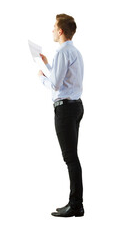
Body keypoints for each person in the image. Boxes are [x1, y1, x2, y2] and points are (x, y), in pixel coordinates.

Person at [38, 14, 85, 217]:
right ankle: (75, 203)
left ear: (60, 31)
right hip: (75, 107)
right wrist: (48, 65)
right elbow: (64, 79)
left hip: (65, 109)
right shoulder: (74, 51)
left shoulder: (62, 52)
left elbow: (56, 84)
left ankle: (76, 204)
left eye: (53, 27)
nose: (52, 31)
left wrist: (41, 77)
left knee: (70, 158)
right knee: (72, 157)